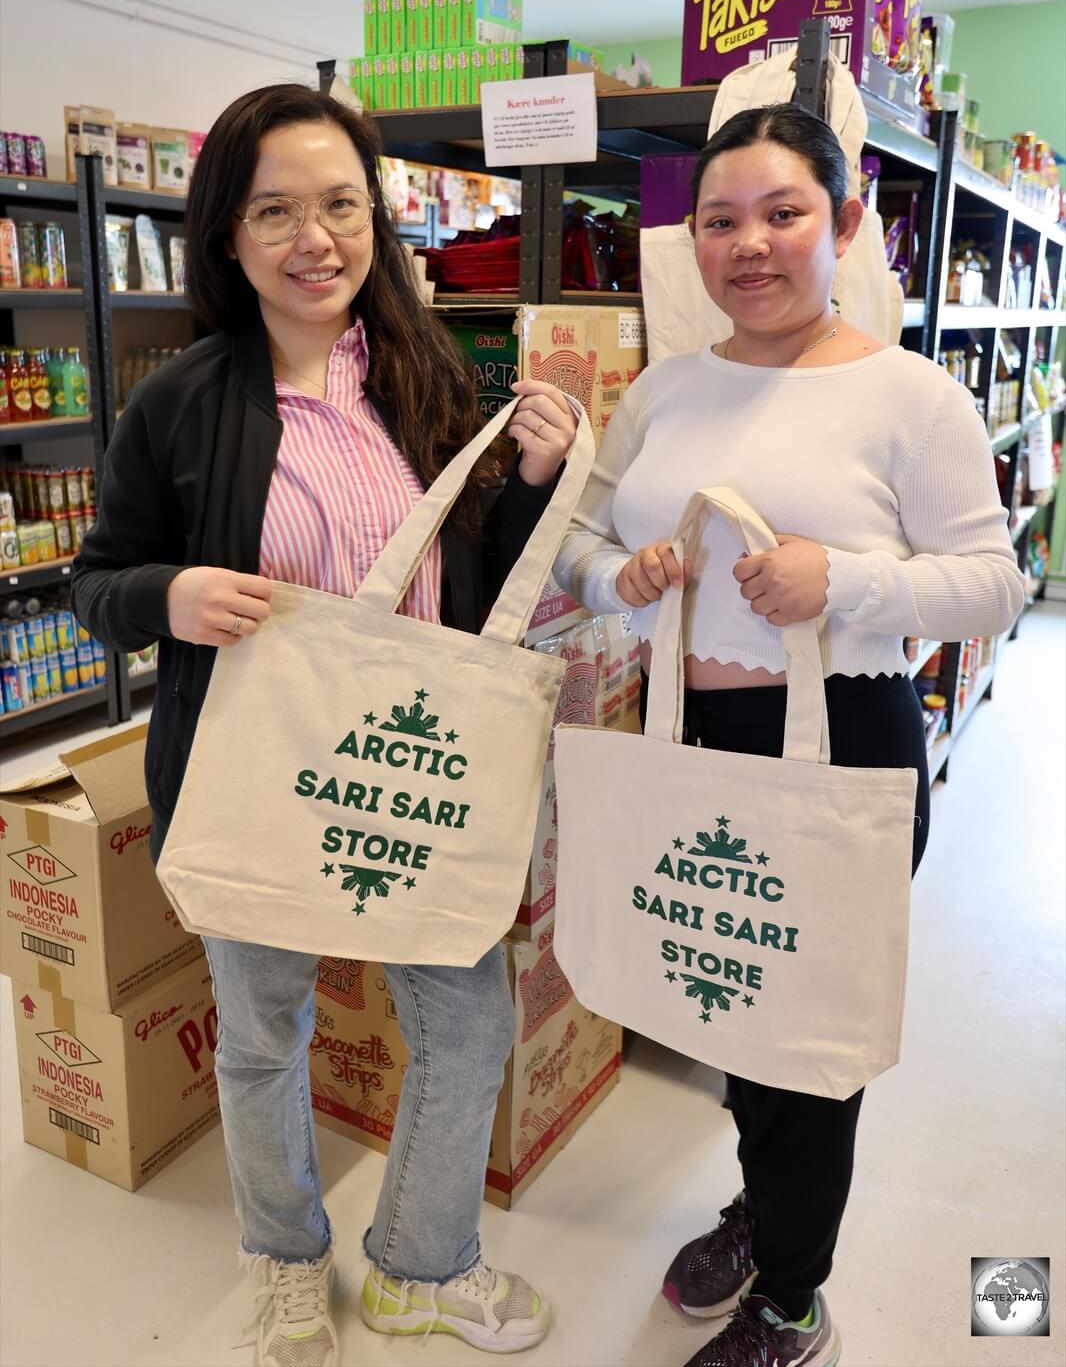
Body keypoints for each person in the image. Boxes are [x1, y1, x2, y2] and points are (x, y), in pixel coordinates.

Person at [71, 82, 578, 1367]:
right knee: (262, 1034)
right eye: (277, 211)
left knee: (464, 1024)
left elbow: (480, 568)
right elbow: (96, 584)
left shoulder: (424, 375)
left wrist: (528, 477)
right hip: (256, 779)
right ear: (227, 238)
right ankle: (287, 1264)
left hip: (412, 776)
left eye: (342, 204)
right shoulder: (178, 403)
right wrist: (169, 595)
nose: (317, 238)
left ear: (377, 218)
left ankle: (418, 1264)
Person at [553, 102, 1025, 1367]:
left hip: (841, 740)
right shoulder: (661, 389)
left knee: (804, 1036)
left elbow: (994, 586)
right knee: (722, 999)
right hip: (679, 738)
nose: (748, 245)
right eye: (719, 221)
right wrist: (623, 578)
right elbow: (581, 547)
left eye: (782, 214)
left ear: (846, 223)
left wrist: (848, 583)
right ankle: (766, 1206)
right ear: (688, 241)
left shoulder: (908, 397)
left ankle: (792, 1296)